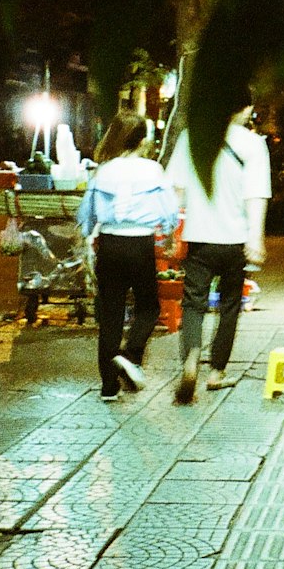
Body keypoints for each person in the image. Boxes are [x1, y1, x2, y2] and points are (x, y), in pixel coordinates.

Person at [166, 97, 271, 404]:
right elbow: (257, 195)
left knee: (193, 303)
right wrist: (256, 237)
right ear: (245, 108)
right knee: (229, 305)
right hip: (235, 240)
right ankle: (216, 372)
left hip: (199, 236)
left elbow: (176, 190)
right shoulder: (253, 144)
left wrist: (174, 231)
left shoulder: (191, 137)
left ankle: (190, 356)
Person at [76, 111, 180, 401]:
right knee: (148, 307)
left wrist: (88, 236)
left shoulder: (103, 171)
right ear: (142, 139)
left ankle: (109, 387)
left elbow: (87, 214)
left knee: (110, 314)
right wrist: (169, 236)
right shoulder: (152, 170)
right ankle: (130, 355)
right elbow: (169, 211)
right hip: (140, 245)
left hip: (109, 245)